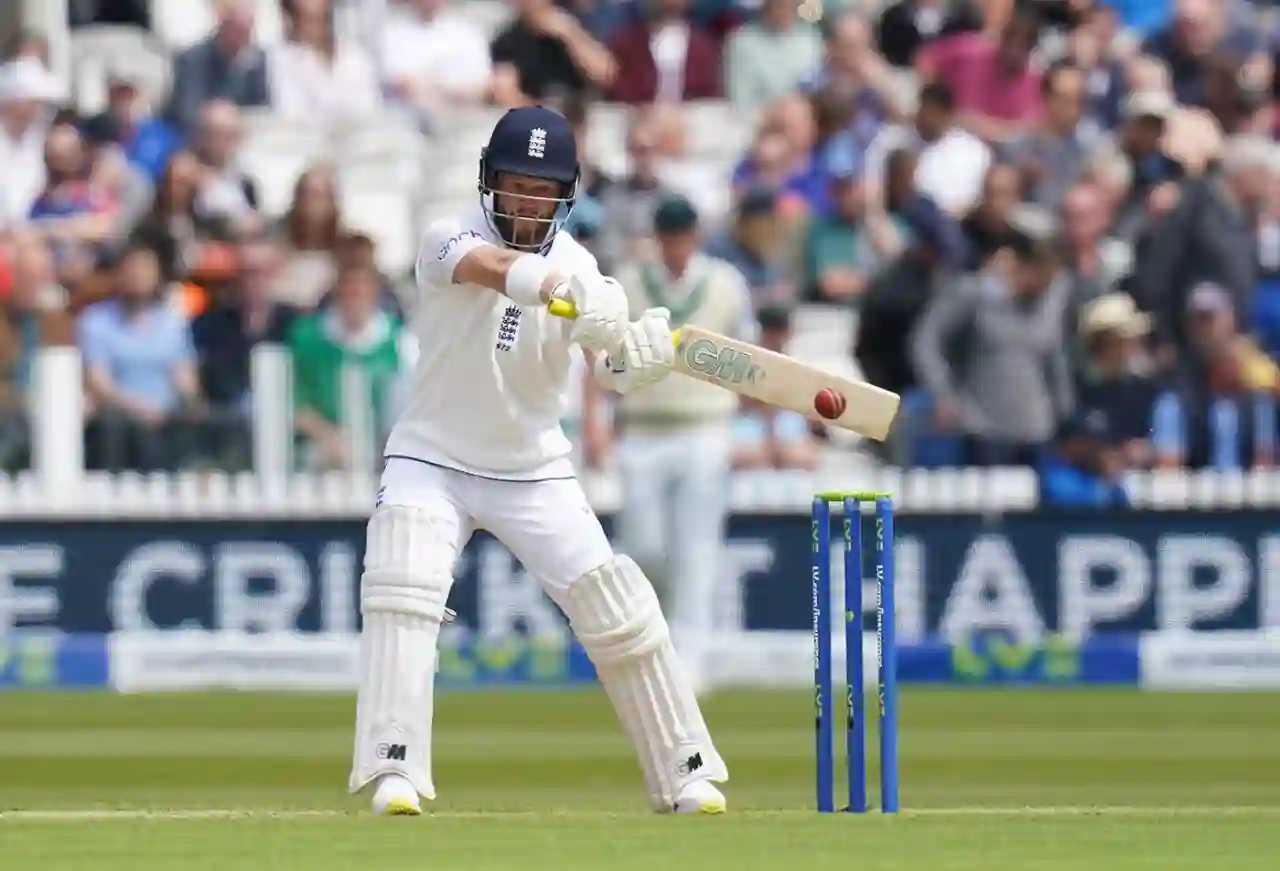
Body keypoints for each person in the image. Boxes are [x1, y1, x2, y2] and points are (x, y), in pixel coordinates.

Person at [349, 106, 729, 817]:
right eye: (515, 186)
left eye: (542, 189)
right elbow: (493, 269)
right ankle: (393, 771)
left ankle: (687, 773)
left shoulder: (584, 267)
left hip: (533, 466)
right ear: (490, 182)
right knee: (405, 584)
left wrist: (629, 353)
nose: (527, 202)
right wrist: (565, 291)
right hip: (431, 453)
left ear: (567, 194)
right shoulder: (446, 234)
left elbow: (608, 364)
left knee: (620, 609)